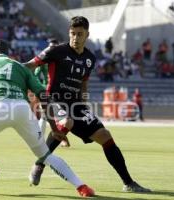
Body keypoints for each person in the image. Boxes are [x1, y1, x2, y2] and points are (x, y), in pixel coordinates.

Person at [0, 40, 95, 197]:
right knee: (45, 155)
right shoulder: (21, 67)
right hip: (22, 109)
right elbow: (43, 97)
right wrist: (54, 129)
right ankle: (82, 187)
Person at [24, 16, 151, 193]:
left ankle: (128, 183)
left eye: (80, 34)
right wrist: (11, 67)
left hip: (77, 105)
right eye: (72, 34)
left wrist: (83, 103)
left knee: (105, 135)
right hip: (54, 100)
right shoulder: (56, 51)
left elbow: (84, 82)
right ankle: (39, 164)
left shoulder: (90, 58)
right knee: (67, 121)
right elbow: (29, 65)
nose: (75, 37)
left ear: (87, 35)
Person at [32, 38, 70, 147]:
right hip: (47, 91)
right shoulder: (44, 61)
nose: (52, 49)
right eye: (50, 47)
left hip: (60, 92)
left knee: (51, 116)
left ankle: (43, 139)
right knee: (50, 116)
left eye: (54, 47)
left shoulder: (62, 60)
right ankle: (56, 139)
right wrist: (39, 89)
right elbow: (35, 75)